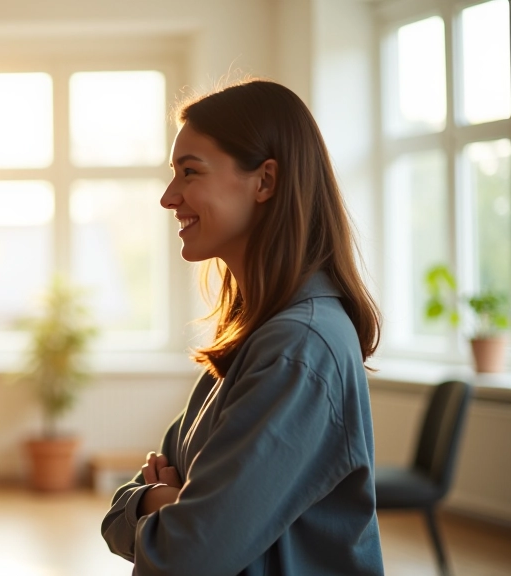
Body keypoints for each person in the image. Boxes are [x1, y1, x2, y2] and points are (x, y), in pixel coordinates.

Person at [100, 79, 385, 576]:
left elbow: (185, 555)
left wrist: (155, 503)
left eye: (190, 172)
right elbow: (125, 511)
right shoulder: (256, 337)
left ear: (265, 181)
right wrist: (157, 500)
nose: (168, 197)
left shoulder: (296, 349)